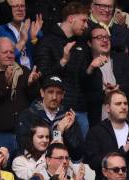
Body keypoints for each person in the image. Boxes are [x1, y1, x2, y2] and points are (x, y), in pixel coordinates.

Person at [34, 2, 91, 136]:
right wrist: (63, 61)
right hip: (56, 111)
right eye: (83, 20)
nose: (86, 25)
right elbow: (43, 75)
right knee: (56, 149)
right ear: (71, 19)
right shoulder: (47, 41)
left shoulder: (81, 43)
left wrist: (91, 68)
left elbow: (82, 79)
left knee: (80, 154)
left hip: (80, 110)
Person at [0, 37, 41, 155]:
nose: (9, 55)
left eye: (12, 52)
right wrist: (6, 85)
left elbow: (36, 99)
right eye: (5, 52)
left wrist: (31, 85)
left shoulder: (23, 71)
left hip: (23, 132)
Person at [84, 90, 129, 180]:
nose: (123, 107)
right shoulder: (96, 132)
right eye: (118, 104)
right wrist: (122, 151)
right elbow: (94, 163)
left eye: (125, 103)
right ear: (108, 108)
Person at [15, 76, 84, 161]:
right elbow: (25, 147)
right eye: (50, 92)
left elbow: (77, 153)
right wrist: (58, 132)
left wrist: (68, 131)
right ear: (42, 93)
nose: (54, 97)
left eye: (58, 93)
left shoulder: (67, 117)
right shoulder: (28, 115)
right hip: (33, 164)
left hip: (63, 165)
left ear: (63, 95)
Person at [85, 26, 129, 125]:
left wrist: (118, 88)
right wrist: (105, 94)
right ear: (89, 43)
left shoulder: (122, 59)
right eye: (99, 37)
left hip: (127, 115)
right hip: (99, 117)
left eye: (107, 37)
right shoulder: (87, 64)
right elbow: (85, 94)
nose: (104, 40)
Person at [87, 0, 129, 67]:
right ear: (92, 7)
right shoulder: (85, 28)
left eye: (110, 7)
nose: (107, 10)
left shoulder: (121, 29)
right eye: (102, 6)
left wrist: (127, 68)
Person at [0, 0, 43, 70]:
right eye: (15, 6)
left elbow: (42, 57)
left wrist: (34, 39)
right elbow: (2, 59)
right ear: (7, 8)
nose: (20, 9)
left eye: (22, 6)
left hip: (33, 74)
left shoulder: (32, 27)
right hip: (11, 76)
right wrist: (22, 41)